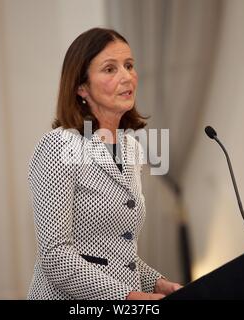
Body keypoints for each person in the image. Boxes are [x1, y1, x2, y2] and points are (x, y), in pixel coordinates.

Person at [27, 27, 182, 300]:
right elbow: (55, 255)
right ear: (81, 87)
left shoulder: (131, 148)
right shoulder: (59, 145)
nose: (127, 76)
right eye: (110, 69)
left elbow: (114, 252)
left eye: (129, 65)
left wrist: (157, 283)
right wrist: (131, 298)